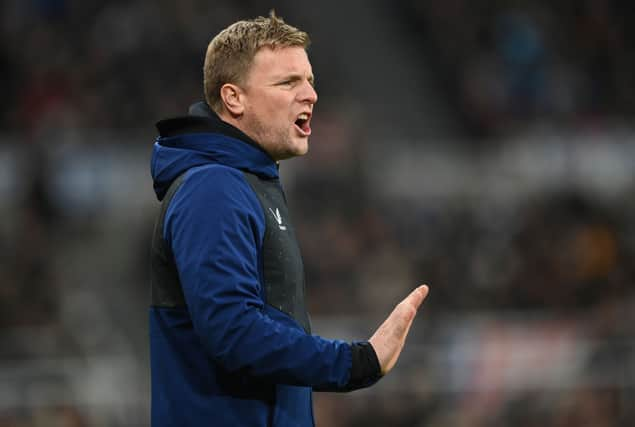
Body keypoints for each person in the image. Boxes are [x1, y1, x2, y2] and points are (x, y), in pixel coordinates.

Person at [149, 11, 429, 427]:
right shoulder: (213, 189)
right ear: (234, 98)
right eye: (287, 82)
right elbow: (234, 331)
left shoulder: (249, 183)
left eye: (310, 80)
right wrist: (356, 362)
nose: (311, 94)